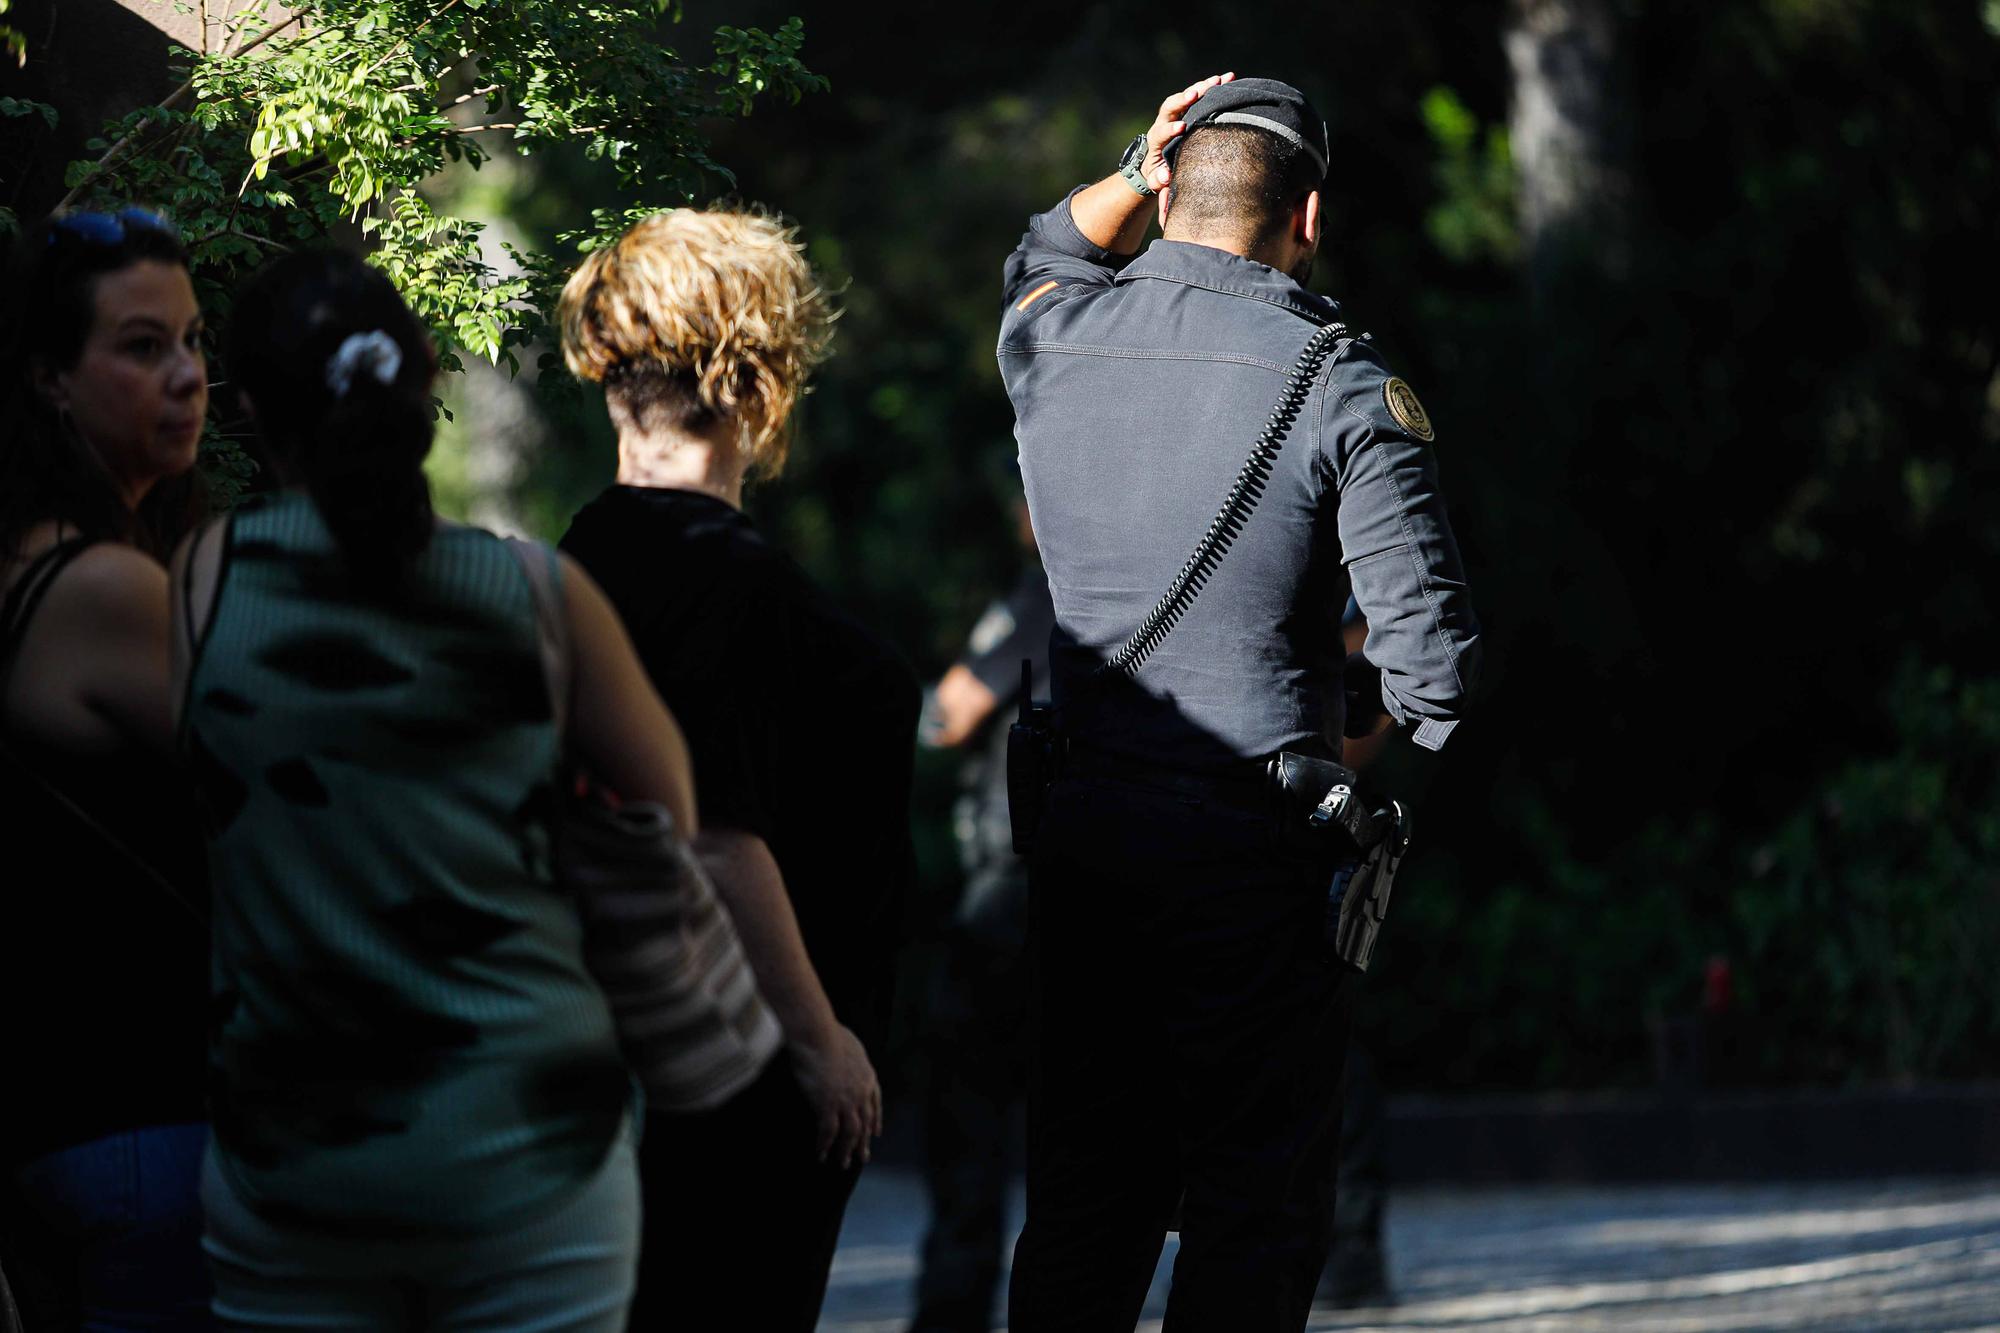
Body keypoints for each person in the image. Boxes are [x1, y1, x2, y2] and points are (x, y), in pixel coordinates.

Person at [996, 74, 1482, 1331]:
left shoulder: (1050, 333)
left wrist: (1131, 157)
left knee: (1080, 1212)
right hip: (1251, 861)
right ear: (1308, 214)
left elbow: (1044, 243)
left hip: (1080, 843)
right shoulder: (1341, 382)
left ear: (1163, 190)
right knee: (1248, 1220)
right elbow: (1433, 667)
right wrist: (1337, 741)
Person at [175, 249, 700, 1330]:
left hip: (294, 1165)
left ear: (256, 414)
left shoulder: (201, 582)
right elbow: (668, 821)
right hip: (534, 1150)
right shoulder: (536, 595)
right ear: (423, 385)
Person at [556, 207, 920, 1331]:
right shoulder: (724, 584)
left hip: (639, 1056)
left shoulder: (579, 555)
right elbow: (715, 830)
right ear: (758, 379)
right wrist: (821, 1044)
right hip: (743, 1078)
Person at [0, 208, 215, 1331]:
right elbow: (300, 781)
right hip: (143, 1123)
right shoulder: (104, 588)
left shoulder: (36, 561)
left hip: (65, 1124)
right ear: (49, 379)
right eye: (141, 347)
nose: (185, 376)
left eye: (191, 342)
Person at [908, 497, 1053, 1333]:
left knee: (967, 1103)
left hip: (1011, 884)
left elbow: (949, 715)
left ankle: (951, 1308)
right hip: (1083, 883)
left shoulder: (1045, 592)